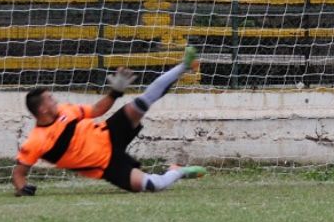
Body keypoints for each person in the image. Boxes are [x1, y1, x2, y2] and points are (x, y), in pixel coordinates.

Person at [12, 46, 206, 196]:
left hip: (108, 132)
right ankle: (177, 171)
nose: (56, 101)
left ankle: (184, 66)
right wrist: (22, 188)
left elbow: (97, 110)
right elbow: (19, 173)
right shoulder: (36, 141)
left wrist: (115, 92)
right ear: (42, 109)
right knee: (153, 185)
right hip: (106, 165)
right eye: (50, 100)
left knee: (141, 102)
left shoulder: (66, 110)